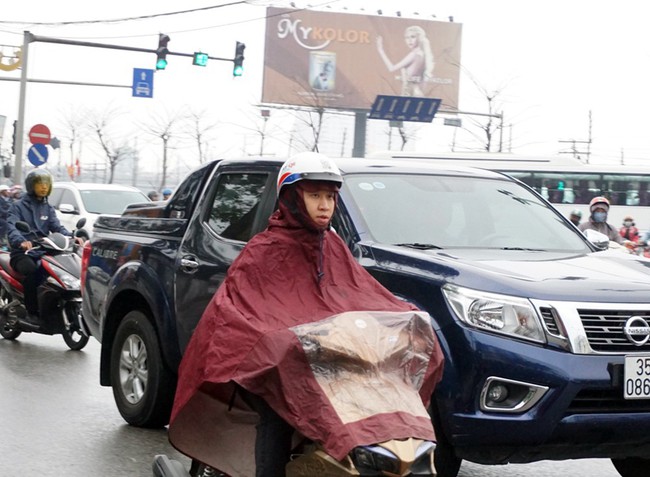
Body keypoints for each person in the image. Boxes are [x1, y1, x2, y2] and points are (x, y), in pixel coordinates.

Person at [168, 152, 444, 476]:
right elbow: (239, 316)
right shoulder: (263, 250)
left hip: (326, 364)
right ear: (292, 198)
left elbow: (362, 295)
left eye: (330, 196)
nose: (325, 205)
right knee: (277, 412)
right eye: (315, 195)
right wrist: (280, 341)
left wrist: (407, 320)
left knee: (378, 402)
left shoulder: (334, 247)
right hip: (270, 370)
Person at [6, 169, 83, 330]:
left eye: (46, 184)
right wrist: (21, 241)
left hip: (43, 250)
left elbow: (57, 227)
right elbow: (12, 227)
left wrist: (71, 236)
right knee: (33, 272)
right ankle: (32, 313)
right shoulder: (18, 206)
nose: (43, 187)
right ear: (31, 186)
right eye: (40, 184)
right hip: (22, 253)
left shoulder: (47, 207)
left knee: (61, 270)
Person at [376, 25, 434, 97]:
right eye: (407, 37)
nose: (409, 40)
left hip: (409, 93)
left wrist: (380, 50)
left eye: (413, 37)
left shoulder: (414, 55)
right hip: (417, 92)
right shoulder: (424, 55)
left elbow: (391, 68)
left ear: (419, 38)